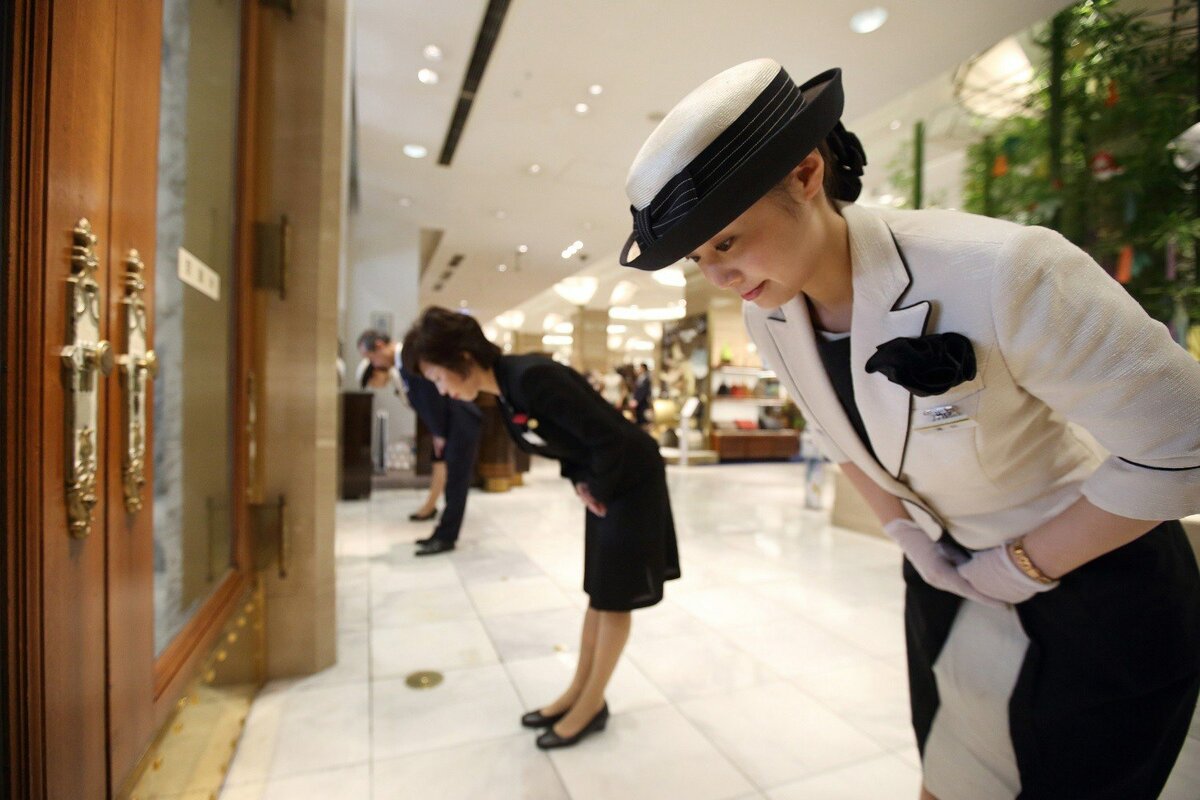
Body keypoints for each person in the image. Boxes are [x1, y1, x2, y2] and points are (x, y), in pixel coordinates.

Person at [620, 59, 1200, 800]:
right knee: (949, 775)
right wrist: (907, 538)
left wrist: (1023, 563)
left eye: (727, 242)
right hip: (946, 580)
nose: (718, 277)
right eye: (700, 259)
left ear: (805, 173)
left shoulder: (1001, 269)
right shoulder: (769, 315)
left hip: (1100, 586)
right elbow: (839, 435)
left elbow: (1183, 440)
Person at [401, 307, 681, 749]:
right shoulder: (509, 388)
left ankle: (591, 705)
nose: (443, 390)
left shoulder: (528, 377)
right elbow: (572, 441)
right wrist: (581, 482)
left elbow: (608, 436)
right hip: (609, 480)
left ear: (463, 359)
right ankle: (577, 693)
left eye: (439, 378)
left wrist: (598, 487)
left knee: (616, 598)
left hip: (632, 480)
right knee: (599, 593)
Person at [358, 329, 482, 556]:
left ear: (379, 345)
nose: (372, 363)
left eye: (370, 357)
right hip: (452, 422)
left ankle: (446, 537)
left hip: (459, 419)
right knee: (452, 480)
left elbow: (432, 397)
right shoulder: (403, 361)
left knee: (456, 481)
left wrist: (439, 433)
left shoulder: (409, 356)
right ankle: (442, 532)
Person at [632, 362, 653, 427]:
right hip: (638, 400)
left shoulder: (646, 378)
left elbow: (644, 391)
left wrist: (637, 400)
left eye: (640, 368)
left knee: (642, 417)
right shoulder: (640, 377)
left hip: (642, 401)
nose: (639, 369)